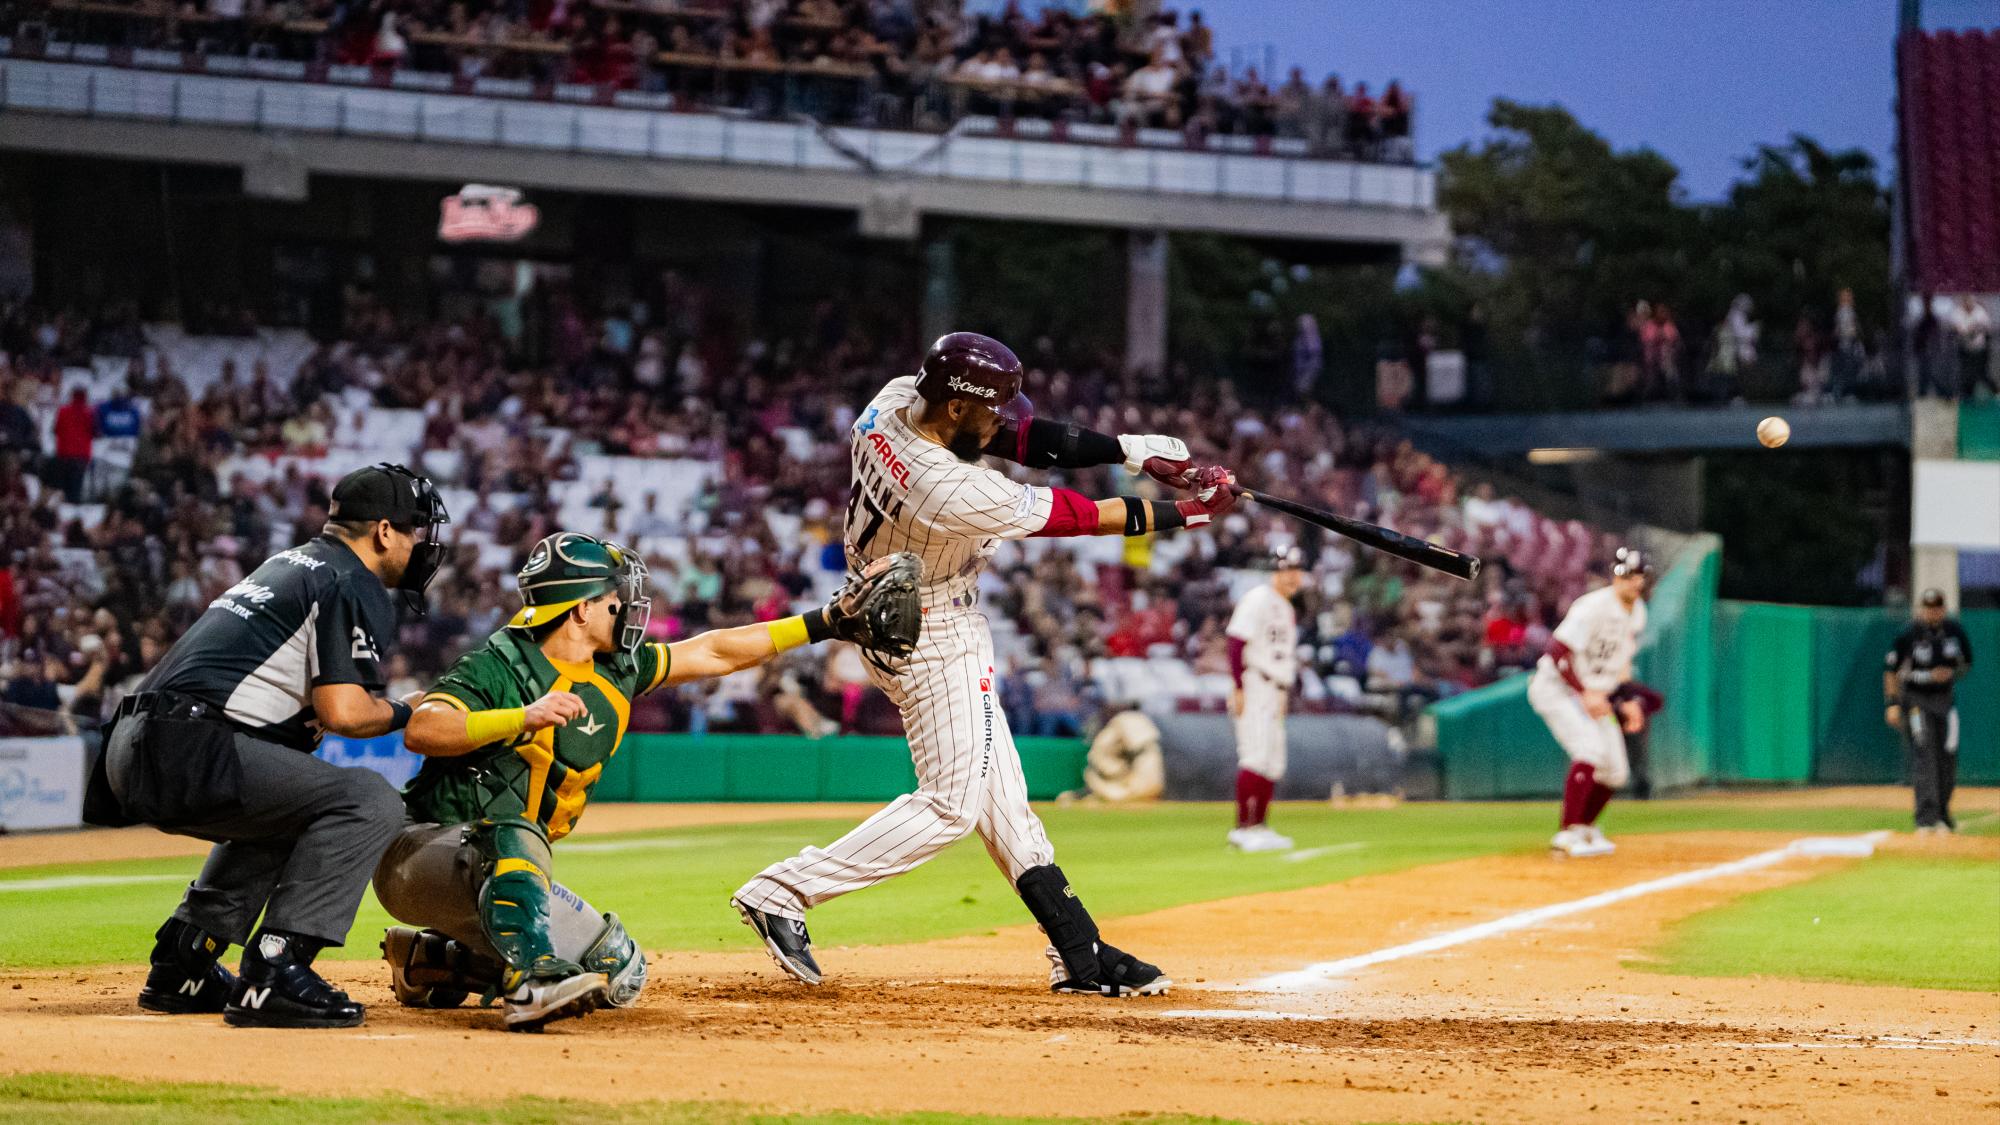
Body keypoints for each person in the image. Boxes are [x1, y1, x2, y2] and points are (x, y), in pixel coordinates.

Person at [730, 331, 1235, 997]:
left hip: (892, 609)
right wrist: (1191, 513)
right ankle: (782, 890)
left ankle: (1078, 950)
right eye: (991, 406)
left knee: (1004, 801)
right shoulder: (950, 488)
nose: (1003, 418)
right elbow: (1081, 516)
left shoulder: (895, 402)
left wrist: (1131, 452)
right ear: (957, 410)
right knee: (951, 804)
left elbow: (1015, 438)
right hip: (931, 631)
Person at [372, 533, 915, 1030]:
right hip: (420, 856)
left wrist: (823, 622)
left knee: (617, 970)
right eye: (614, 599)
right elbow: (423, 728)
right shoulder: (498, 664)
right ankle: (531, 984)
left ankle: (429, 961)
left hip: (502, 874)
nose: (627, 608)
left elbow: (715, 651)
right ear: (581, 609)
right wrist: (521, 717)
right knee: (513, 833)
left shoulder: (616, 667)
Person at [85, 463, 449, 1029]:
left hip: (129, 744)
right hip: (188, 745)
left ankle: (186, 959)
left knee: (292, 809)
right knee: (369, 800)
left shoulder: (288, 564)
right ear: (383, 531)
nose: (421, 545)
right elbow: (345, 714)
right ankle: (277, 968)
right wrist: (408, 709)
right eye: (415, 530)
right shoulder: (350, 578)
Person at [1527, 548, 1651, 858]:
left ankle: (1584, 827)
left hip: (1593, 693)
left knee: (1615, 771)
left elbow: (1620, 663)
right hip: (1558, 689)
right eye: (1628, 576)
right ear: (1615, 577)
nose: (1634, 582)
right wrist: (1584, 692)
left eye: (1639, 576)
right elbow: (1557, 652)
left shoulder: (1637, 613)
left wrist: (1626, 699)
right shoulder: (1593, 607)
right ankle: (1567, 832)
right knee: (1589, 750)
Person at [1225, 545, 1303, 852]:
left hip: (1276, 688)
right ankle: (1243, 828)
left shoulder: (1286, 607)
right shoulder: (1258, 598)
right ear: (1275, 571)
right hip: (1255, 682)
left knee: (1272, 761)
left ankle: (1260, 826)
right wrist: (1238, 687)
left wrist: (1283, 694)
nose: (1292, 576)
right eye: (1286, 570)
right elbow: (1235, 641)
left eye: (1296, 570)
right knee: (1254, 755)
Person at [1884, 589, 1974, 834]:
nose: (1933, 612)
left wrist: (1951, 673)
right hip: (1916, 700)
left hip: (1945, 700)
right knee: (1924, 755)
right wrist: (1891, 703)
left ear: (1943, 609)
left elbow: (1966, 664)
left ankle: (1943, 814)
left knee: (1947, 756)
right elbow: (1891, 670)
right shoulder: (1909, 634)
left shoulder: (1954, 632)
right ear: (1922, 609)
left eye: (1937, 607)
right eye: (1928, 607)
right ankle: (1925, 818)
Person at [1068, 707, 1164, 804]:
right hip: (1109, 776)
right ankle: (1085, 795)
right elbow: (1098, 759)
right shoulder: (1105, 736)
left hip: (1132, 770)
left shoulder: (1132, 719)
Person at [51, 387, 96, 502]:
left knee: (62, 487)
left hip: (64, 455)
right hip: (81, 457)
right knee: (75, 489)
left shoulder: (63, 411)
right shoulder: (89, 413)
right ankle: (72, 511)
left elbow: (55, 430)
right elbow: (96, 432)